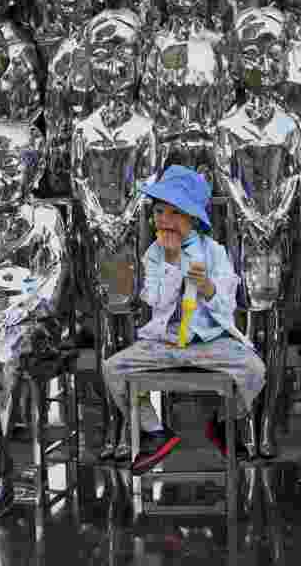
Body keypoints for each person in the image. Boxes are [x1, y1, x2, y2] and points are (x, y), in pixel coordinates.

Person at [102, 165, 267, 474]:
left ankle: (223, 420)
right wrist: (172, 263)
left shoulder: (214, 251)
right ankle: (154, 431)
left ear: (193, 218)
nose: (164, 220)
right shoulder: (154, 254)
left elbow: (227, 305)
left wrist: (207, 288)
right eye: (159, 211)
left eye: (174, 213)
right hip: (165, 342)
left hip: (209, 341)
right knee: (113, 368)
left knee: (254, 369)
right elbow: (154, 301)